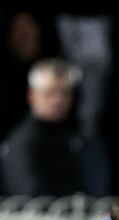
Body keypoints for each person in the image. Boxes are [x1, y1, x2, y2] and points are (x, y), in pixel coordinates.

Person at [0, 58, 99, 196]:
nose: (57, 100)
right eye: (49, 93)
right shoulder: (23, 141)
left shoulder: (71, 136)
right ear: (32, 96)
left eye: (64, 93)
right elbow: (29, 195)